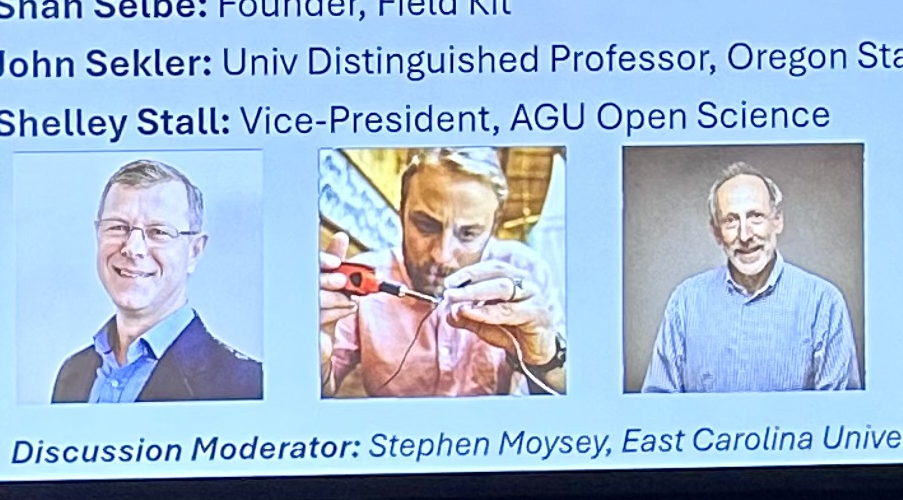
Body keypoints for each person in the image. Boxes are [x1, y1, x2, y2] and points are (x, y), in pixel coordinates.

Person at [320, 147, 569, 397]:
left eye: (468, 233)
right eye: (426, 225)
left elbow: (567, 401)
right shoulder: (364, 280)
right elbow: (320, 390)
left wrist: (544, 359)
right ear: (401, 211)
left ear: (494, 225)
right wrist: (313, 363)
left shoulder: (525, 272)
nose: (443, 255)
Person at [48, 158, 262, 403]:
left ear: (194, 251)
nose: (132, 248)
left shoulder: (246, 384)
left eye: (158, 231)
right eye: (118, 227)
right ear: (98, 235)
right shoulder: (72, 374)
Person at [640, 164, 862, 393]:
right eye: (731, 221)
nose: (745, 236)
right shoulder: (685, 302)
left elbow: (841, 417)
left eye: (755, 216)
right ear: (716, 233)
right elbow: (657, 409)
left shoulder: (823, 303)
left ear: (777, 220)